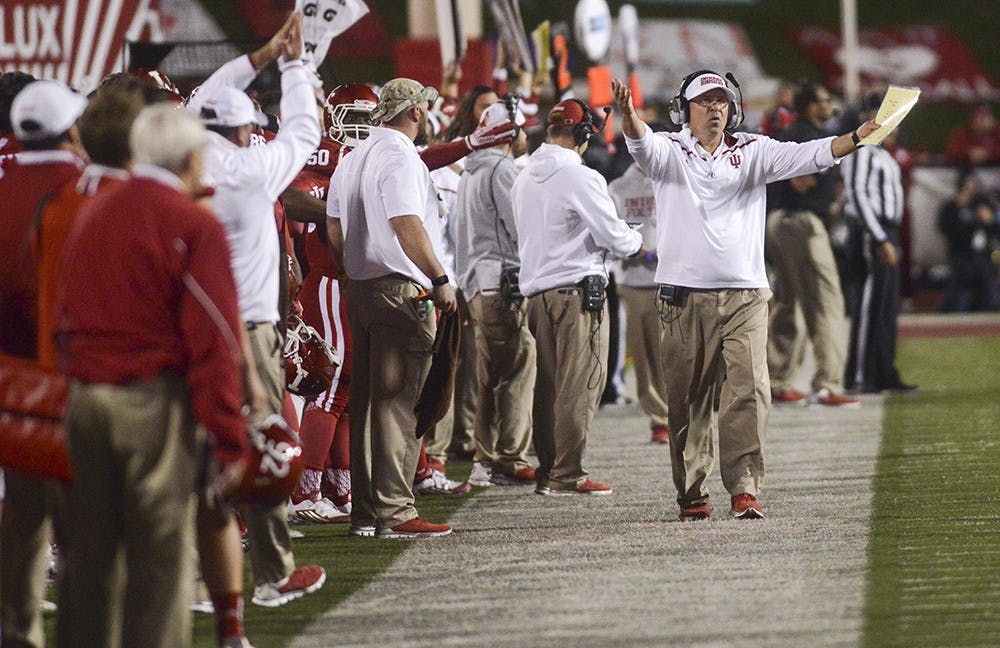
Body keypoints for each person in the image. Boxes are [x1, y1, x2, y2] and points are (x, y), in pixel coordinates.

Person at [612, 71, 881, 520]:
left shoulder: (753, 151)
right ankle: (693, 491)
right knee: (687, 400)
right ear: (686, 110)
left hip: (745, 294)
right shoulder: (670, 151)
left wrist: (855, 137)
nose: (715, 107)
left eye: (721, 100)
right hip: (682, 297)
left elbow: (809, 155)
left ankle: (744, 487)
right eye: (705, 101)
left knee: (749, 391)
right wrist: (628, 117)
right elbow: (642, 142)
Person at [55, 103, 249, 648]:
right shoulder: (191, 222)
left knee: (89, 556)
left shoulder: (91, 208)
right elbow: (215, 338)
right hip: (150, 401)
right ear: (190, 157)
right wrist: (229, 437)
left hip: (84, 397)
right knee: (160, 556)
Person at [192, 11, 326, 606]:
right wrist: (292, 62)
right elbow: (304, 131)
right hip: (246, 328)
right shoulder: (250, 171)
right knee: (263, 442)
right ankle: (273, 574)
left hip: (187, 328)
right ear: (247, 131)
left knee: (193, 449)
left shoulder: (178, 162)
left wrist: (264, 54)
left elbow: (207, 96)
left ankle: (192, 577)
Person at [326, 77, 459, 538]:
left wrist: (352, 271)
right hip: (402, 290)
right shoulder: (400, 155)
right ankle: (396, 510)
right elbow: (406, 222)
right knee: (399, 403)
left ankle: (366, 511)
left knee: (365, 404)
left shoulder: (353, 156)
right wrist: (439, 277)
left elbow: (334, 226)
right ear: (417, 112)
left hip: (361, 290)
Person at [512, 98, 644, 496]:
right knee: (580, 385)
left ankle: (549, 471)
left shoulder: (523, 175)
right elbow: (614, 238)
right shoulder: (581, 177)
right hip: (576, 292)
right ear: (583, 134)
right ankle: (568, 473)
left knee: (548, 387)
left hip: (536, 294)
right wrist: (637, 238)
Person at [0, 78, 85, 648]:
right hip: (70, 376)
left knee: (21, 518)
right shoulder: (86, 189)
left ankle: (17, 631)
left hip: (10, 378)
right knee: (88, 524)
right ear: (73, 129)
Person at [454, 102, 536, 488]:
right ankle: (508, 457)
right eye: (520, 128)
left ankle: (485, 458)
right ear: (509, 132)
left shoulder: (470, 171)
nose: (525, 135)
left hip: (474, 283)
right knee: (518, 365)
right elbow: (520, 227)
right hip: (499, 281)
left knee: (487, 375)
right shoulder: (501, 169)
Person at [766, 81, 859, 407]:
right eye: (823, 98)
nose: (829, 103)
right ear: (808, 106)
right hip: (801, 223)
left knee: (788, 304)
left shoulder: (791, 132)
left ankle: (777, 379)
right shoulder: (805, 135)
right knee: (825, 303)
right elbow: (802, 181)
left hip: (780, 222)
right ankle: (827, 385)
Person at [842, 103, 917, 394]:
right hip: (872, 232)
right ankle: (860, 376)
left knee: (885, 306)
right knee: (869, 304)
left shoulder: (882, 154)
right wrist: (879, 237)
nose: (896, 128)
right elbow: (858, 194)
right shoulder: (863, 149)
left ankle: (884, 372)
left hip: (887, 230)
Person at [607, 141, 670, 444]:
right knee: (644, 357)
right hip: (635, 282)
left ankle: (680, 414)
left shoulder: (673, 178)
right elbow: (609, 231)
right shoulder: (618, 187)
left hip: (672, 278)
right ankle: (659, 418)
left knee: (673, 354)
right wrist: (631, 251)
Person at [937, 172, 1000, 312]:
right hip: (961, 258)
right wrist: (961, 213)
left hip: (984, 258)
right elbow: (945, 228)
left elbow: (995, 227)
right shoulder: (951, 207)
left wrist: (989, 219)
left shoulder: (983, 204)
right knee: (958, 303)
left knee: (992, 300)